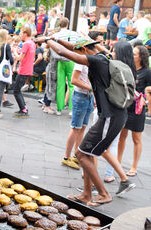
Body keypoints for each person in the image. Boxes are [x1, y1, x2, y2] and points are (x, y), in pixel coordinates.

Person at [44, 37, 136, 205]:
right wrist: (57, 39)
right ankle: (87, 194)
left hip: (111, 116)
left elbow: (64, 52)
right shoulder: (103, 56)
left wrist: (47, 41)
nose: (78, 55)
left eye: (79, 53)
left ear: (85, 51)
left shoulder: (95, 61)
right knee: (85, 152)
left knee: (80, 154)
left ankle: (103, 193)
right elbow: (72, 47)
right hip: (112, 115)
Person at [116, 45, 151, 176]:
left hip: (137, 109)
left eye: (135, 54)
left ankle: (134, 167)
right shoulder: (129, 68)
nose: (132, 56)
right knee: (122, 136)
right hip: (125, 106)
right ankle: (117, 162)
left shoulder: (147, 72)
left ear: (141, 57)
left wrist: (145, 100)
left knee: (136, 138)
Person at [61, 54, 94, 169]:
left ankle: (77, 155)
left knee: (82, 128)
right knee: (75, 128)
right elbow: (74, 80)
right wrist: (91, 88)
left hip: (88, 96)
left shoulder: (91, 60)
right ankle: (66, 157)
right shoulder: (81, 61)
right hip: (80, 96)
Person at [11, 26, 35, 117]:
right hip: (28, 69)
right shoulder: (31, 43)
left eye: (21, 33)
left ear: (25, 34)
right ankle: (23, 108)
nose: (20, 35)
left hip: (23, 69)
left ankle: (23, 109)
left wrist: (14, 51)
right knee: (17, 90)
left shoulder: (26, 44)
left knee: (16, 90)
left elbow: (19, 58)